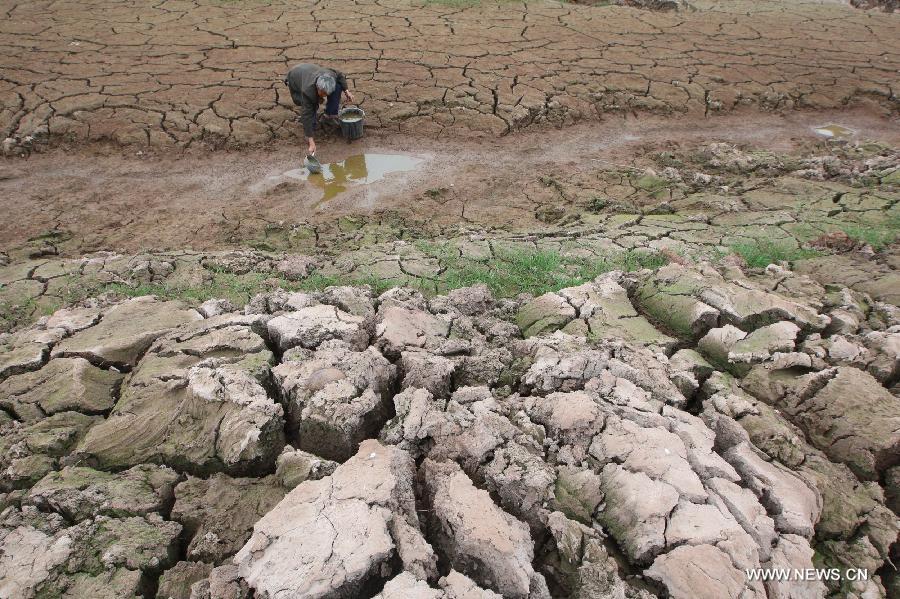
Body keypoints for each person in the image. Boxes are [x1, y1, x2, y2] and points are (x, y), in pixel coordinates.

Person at [284, 63, 354, 157]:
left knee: (337, 87)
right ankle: (311, 128)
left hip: (310, 71)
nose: (325, 96)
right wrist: (311, 141)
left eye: (327, 94)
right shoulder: (307, 91)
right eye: (323, 93)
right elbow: (306, 114)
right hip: (295, 77)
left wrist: (347, 91)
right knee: (309, 106)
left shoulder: (330, 75)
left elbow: (340, 75)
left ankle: (330, 115)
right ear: (317, 87)